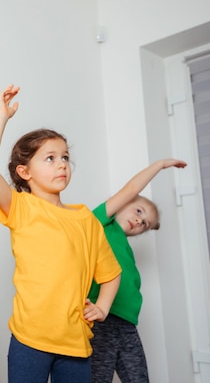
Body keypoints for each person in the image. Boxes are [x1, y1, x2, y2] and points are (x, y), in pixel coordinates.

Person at [0, 85, 122, 383]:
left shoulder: (86, 219)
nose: (62, 164)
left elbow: (110, 272)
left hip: (75, 341)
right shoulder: (21, 208)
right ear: (24, 172)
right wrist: (2, 117)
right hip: (30, 338)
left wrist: (104, 308)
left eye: (65, 158)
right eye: (50, 158)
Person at [87, 158, 187, 383]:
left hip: (128, 325)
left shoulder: (126, 251)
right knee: (98, 378)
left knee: (138, 378)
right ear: (122, 204)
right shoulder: (98, 224)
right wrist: (160, 165)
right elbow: (132, 188)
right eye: (138, 211)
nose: (139, 220)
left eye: (145, 224)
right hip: (102, 321)